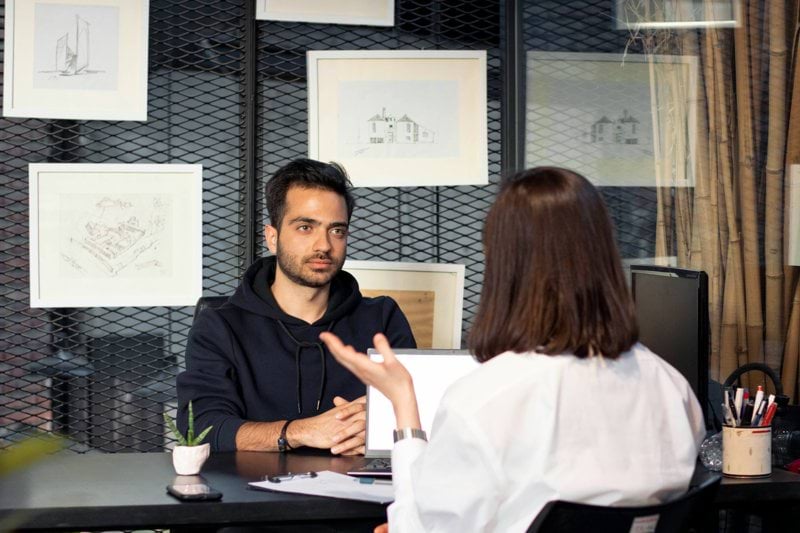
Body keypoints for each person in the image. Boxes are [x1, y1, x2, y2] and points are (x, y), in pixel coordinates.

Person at [321, 167, 705, 532]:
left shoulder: (488, 399)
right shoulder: (670, 386)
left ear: (504, 265)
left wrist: (403, 403)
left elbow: (425, 525)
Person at [177, 158, 416, 454]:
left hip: (361, 492)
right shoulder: (220, 327)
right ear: (272, 237)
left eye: (337, 231)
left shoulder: (382, 318)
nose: (324, 245)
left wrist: (377, 429)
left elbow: (417, 415)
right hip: (252, 494)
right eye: (305, 227)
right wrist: (302, 432)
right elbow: (201, 428)